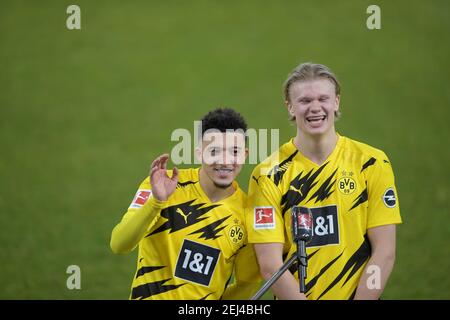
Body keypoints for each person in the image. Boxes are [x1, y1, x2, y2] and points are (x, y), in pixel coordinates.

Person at [246, 62, 402, 300]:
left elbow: (384, 252)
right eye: (305, 101)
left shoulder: (371, 163)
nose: (315, 108)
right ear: (289, 107)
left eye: (323, 98)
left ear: (336, 102)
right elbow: (270, 265)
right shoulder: (268, 174)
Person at [110, 107, 260, 300]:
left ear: (245, 154)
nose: (225, 160)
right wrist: (157, 202)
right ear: (199, 153)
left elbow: (247, 284)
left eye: (234, 151)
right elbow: (119, 244)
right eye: (214, 151)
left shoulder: (247, 214)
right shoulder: (162, 186)